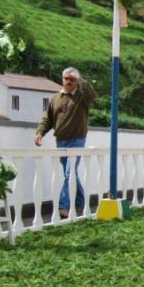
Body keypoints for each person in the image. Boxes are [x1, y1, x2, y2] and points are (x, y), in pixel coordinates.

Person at [35, 67, 97, 218]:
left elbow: (92, 94)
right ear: (62, 79)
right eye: (66, 79)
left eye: (72, 79)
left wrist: (81, 79)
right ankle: (80, 203)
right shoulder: (55, 98)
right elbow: (47, 119)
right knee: (71, 174)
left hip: (77, 140)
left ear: (77, 81)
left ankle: (63, 207)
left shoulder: (82, 97)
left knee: (69, 174)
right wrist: (40, 132)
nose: (68, 82)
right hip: (61, 141)